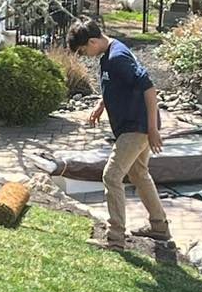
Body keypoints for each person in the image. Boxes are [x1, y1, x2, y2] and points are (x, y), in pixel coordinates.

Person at [67, 18, 171, 250]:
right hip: (134, 126)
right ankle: (159, 227)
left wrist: (152, 129)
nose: (86, 55)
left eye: (84, 51)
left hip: (137, 127)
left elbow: (149, 89)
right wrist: (101, 104)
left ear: (93, 41)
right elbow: (119, 85)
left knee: (111, 176)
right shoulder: (109, 52)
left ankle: (115, 239)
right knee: (139, 173)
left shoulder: (117, 58)